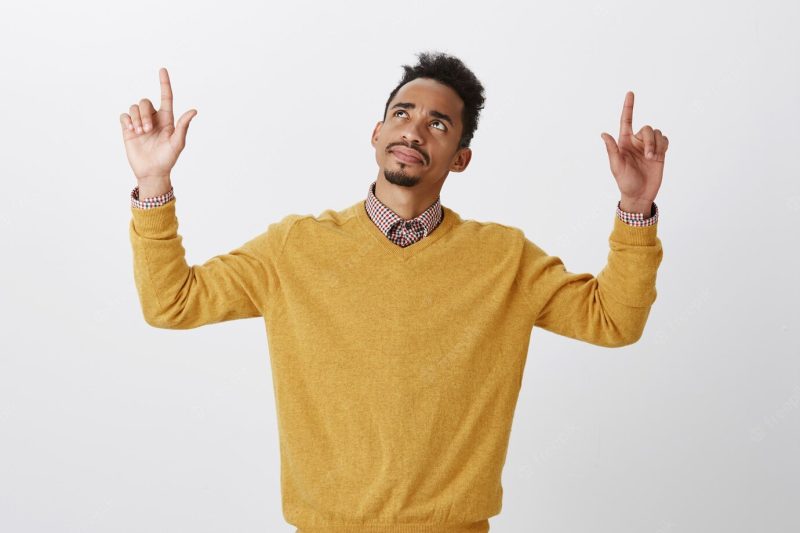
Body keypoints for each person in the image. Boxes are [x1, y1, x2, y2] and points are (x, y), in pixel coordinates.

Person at [120, 51, 666, 532]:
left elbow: (613, 320)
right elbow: (172, 303)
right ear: (376, 133)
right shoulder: (295, 247)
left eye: (438, 124)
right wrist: (153, 184)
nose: (413, 131)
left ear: (461, 158)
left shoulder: (504, 259)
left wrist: (636, 208)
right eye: (401, 114)